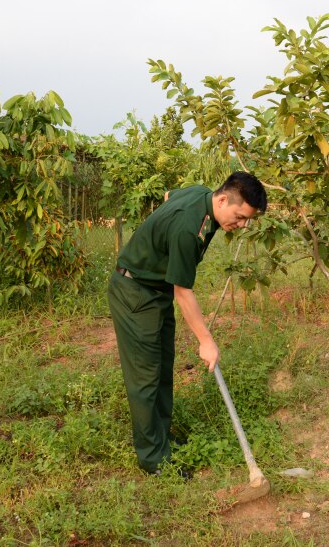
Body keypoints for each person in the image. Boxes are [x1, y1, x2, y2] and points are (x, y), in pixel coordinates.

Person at [108, 171, 267, 474]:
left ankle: (161, 438)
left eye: (247, 219)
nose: (242, 224)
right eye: (239, 216)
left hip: (155, 291)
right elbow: (183, 292)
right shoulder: (186, 228)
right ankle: (152, 459)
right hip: (135, 293)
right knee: (146, 375)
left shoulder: (201, 194)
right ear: (222, 199)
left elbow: (170, 195)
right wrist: (206, 341)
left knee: (162, 364)